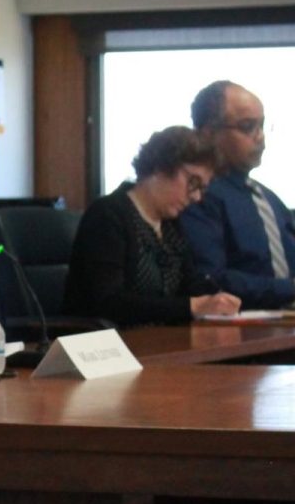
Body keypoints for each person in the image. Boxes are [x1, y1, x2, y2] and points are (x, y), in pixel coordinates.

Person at [63, 126, 240, 326]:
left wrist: (217, 300)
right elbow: (108, 302)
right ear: (161, 167)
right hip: (106, 347)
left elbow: (190, 285)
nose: (197, 197)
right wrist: (192, 306)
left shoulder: (171, 225)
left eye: (202, 188)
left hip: (160, 342)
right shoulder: (108, 214)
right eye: (193, 182)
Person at [181, 80, 295, 309]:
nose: (260, 136)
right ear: (208, 133)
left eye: (261, 125)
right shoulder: (198, 196)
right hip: (238, 329)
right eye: (247, 126)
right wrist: (288, 290)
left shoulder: (268, 198)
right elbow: (212, 278)